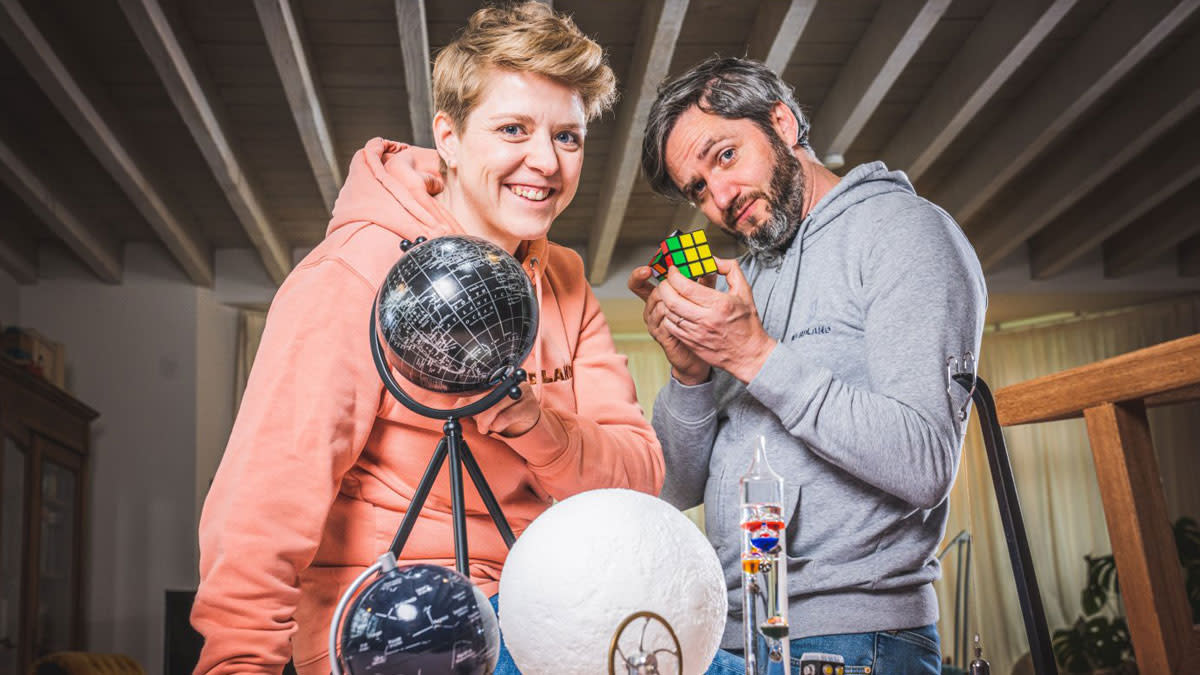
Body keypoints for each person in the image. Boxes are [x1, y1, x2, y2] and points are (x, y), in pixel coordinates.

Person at [191, 4, 664, 674]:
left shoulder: (563, 280)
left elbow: (638, 480)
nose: (545, 161)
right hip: (394, 624)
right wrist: (237, 664)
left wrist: (536, 423)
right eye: (513, 129)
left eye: (568, 136)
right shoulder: (355, 271)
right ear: (449, 134)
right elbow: (259, 506)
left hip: (539, 613)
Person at [628, 56, 987, 674]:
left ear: (782, 122)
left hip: (853, 641)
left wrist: (753, 355)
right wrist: (691, 373)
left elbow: (925, 461)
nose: (719, 199)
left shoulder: (905, 233)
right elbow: (674, 488)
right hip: (733, 634)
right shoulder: (753, 277)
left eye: (724, 157)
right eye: (697, 189)